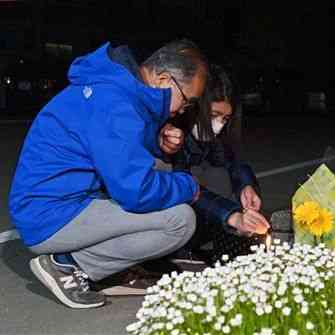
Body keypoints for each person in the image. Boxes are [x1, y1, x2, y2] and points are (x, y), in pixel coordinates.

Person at [8, 39, 208, 308]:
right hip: (50, 215)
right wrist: (188, 186)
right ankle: (66, 265)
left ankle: (112, 271)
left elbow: (121, 153)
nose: (182, 111)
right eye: (186, 102)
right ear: (164, 80)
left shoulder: (118, 89)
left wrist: (157, 141)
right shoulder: (114, 103)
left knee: (160, 171)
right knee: (180, 220)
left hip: (60, 201)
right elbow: (135, 190)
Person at [170, 64, 269, 264]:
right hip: (169, 217)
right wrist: (231, 216)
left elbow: (233, 161)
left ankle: (209, 246)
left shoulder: (215, 137)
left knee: (222, 176)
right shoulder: (171, 134)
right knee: (208, 183)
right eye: (214, 115)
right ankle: (176, 251)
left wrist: (246, 185)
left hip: (200, 216)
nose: (219, 124)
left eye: (225, 118)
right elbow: (184, 186)